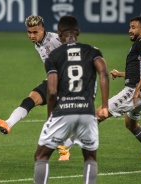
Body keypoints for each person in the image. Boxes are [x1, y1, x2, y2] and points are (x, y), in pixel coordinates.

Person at [59, 15, 141, 162]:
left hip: (135, 92)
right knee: (131, 124)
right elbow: (139, 71)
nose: (130, 30)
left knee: (100, 113)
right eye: (130, 27)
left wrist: (136, 90)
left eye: (133, 27)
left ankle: (66, 145)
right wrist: (121, 74)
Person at [34, 15, 109, 184]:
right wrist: (105, 106)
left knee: (41, 155)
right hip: (87, 111)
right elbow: (103, 72)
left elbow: (52, 91)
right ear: (78, 32)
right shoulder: (92, 51)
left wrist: (50, 117)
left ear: (59, 34)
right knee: (90, 157)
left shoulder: (54, 56)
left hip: (63, 111)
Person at [0, 15, 73, 161]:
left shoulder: (56, 39)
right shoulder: (38, 45)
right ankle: (7, 124)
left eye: (35, 32)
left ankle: (65, 147)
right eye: (29, 32)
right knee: (31, 98)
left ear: (43, 29)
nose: (32, 36)